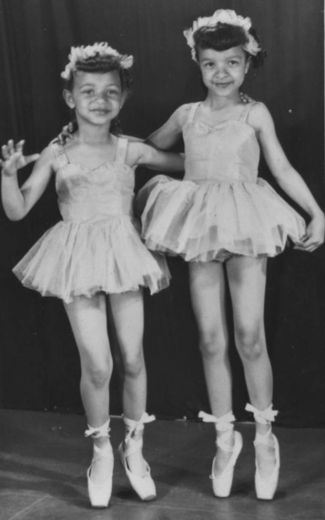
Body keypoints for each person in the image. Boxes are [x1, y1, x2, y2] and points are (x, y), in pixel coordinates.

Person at [136, 10, 325, 500]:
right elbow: (142, 151)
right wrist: (86, 145)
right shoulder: (186, 115)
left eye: (232, 62)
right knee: (211, 338)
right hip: (198, 225)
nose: (221, 72)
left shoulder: (254, 114)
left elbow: (281, 168)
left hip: (245, 223)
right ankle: (225, 438)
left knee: (249, 334)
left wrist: (316, 212)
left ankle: (264, 438)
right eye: (210, 63)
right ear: (197, 64)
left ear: (248, 64)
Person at [0, 42, 184, 508]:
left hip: (124, 256)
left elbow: (189, 166)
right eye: (88, 91)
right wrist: (6, 176)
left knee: (134, 358)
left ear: (121, 98)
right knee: (98, 364)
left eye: (109, 92)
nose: (99, 100)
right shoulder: (56, 155)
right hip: (76, 259)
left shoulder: (130, 150)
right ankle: (101, 449)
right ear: (70, 98)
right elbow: (18, 209)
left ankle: (134, 448)